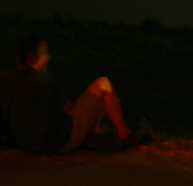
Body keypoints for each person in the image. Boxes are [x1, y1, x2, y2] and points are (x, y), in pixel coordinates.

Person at [0, 34, 151, 155]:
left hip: (25, 145)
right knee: (103, 84)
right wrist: (89, 112)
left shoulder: (5, 79)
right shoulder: (43, 79)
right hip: (55, 143)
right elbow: (67, 108)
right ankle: (124, 134)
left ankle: (92, 136)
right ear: (32, 57)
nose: (49, 57)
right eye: (45, 53)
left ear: (18, 58)